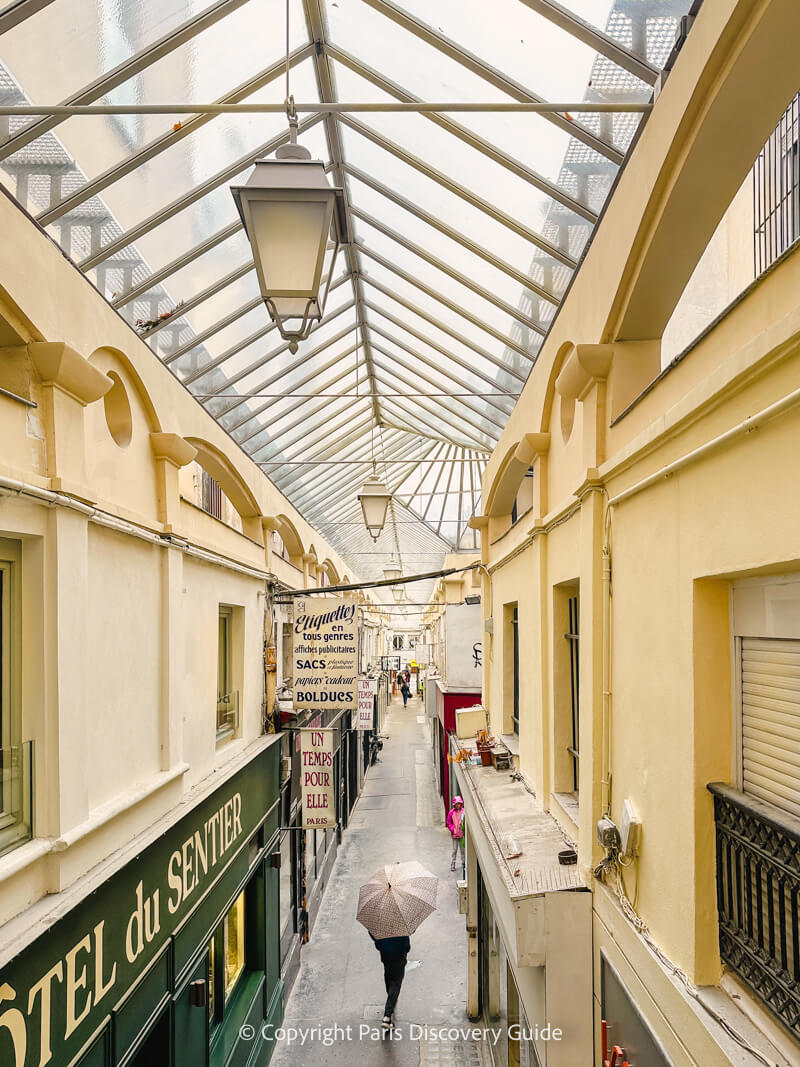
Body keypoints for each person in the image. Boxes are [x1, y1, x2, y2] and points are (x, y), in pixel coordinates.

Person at [370, 932, 411, 1031]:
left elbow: (372, 932)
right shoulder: (400, 924)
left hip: (385, 953)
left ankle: (391, 1000)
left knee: (388, 976)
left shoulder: (380, 922)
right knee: (396, 982)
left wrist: (378, 943)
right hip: (399, 955)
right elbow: (407, 941)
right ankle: (387, 1016)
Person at [446, 795, 465, 872]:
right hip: (454, 835)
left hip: (462, 835)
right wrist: (452, 829)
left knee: (462, 850)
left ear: (461, 804)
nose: (458, 805)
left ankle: (464, 863)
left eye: (459, 804)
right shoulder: (451, 812)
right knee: (454, 850)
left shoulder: (463, 811)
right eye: (456, 804)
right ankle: (453, 863)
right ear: (454, 804)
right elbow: (448, 822)